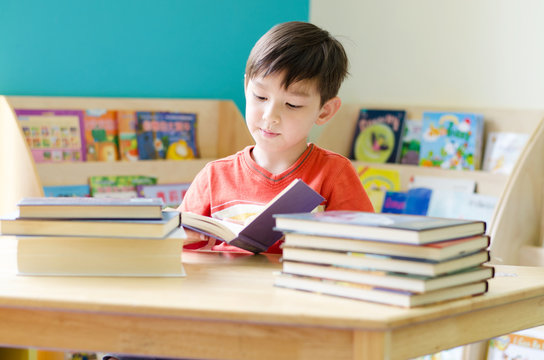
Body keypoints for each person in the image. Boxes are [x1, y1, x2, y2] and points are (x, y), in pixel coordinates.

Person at [103, 20, 373, 360]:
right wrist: (181, 241)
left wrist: (321, 250)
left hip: (292, 323)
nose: (269, 116)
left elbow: (367, 253)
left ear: (325, 110)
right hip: (217, 315)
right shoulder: (214, 176)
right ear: (246, 87)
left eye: (292, 105)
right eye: (260, 97)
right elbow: (177, 251)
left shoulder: (333, 173)